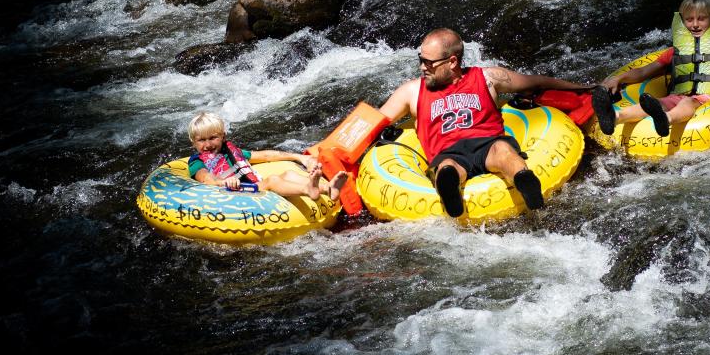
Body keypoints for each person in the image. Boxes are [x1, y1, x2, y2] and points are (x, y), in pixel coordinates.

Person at [378, 28, 591, 218]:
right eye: (420, 59)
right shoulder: (412, 91)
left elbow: (535, 81)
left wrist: (584, 88)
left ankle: (524, 180)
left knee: (503, 152)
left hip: (488, 143)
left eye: (429, 63)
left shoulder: (488, 77)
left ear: (452, 62)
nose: (422, 68)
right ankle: (450, 189)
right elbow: (374, 121)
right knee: (450, 167)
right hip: (448, 152)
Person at [591, 0, 710, 137]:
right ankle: (615, 117)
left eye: (701, 19)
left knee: (686, 102)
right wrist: (619, 79)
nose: (695, 24)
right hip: (679, 95)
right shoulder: (675, 52)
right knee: (658, 103)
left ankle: (666, 119)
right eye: (689, 19)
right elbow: (644, 72)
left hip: (709, 99)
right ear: (682, 21)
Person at [187, 111, 347, 201]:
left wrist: (300, 157)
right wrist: (224, 182)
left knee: (289, 174)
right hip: (237, 193)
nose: (207, 145)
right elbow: (206, 179)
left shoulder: (229, 152)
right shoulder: (196, 161)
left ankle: (328, 188)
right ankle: (307, 189)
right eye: (201, 140)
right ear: (194, 142)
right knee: (273, 180)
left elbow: (264, 155)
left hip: (252, 186)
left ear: (223, 136)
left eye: (212, 138)